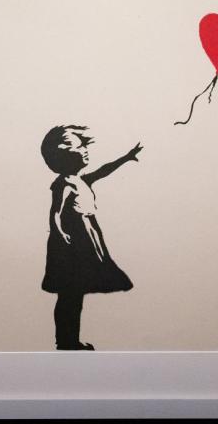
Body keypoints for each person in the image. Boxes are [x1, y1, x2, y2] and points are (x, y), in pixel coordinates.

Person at [40, 125, 141, 350]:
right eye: (80, 146)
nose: (86, 150)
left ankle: (70, 341)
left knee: (75, 295)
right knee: (69, 295)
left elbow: (104, 170)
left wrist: (126, 157)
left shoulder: (82, 180)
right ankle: (66, 342)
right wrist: (60, 233)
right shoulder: (63, 184)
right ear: (64, 154)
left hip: (85, 239)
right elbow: (55, 213)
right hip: (71, 244)